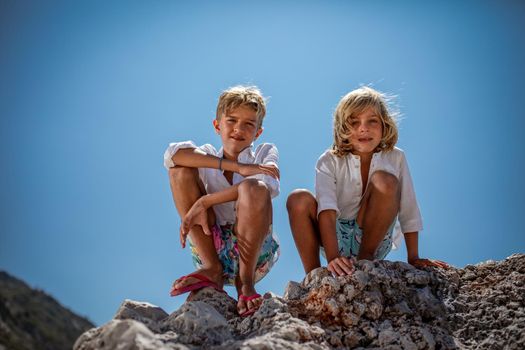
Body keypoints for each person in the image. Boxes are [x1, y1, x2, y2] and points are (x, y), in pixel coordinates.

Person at [286, 86, 448, 277]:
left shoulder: (396, 157)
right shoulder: (328, 160)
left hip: (374, 238)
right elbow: (327, 209)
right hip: (334, 237)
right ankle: (314, 275)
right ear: (342, 128)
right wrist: (332, 257)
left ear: (384, 125)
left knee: (385, 180)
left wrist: (413, 256)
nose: (364, 128)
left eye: (373, 121)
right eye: (354, 122)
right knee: (298, 198)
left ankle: (365, 261)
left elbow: (408, 207)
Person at [163, 85, 280, 316]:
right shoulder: (206, 153)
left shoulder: (265, 152)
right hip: (211, 245)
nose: (239, 128)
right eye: (232, 121)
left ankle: (245, 285)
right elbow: (172, 156)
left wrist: (205, 202)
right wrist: (235, 166)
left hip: (254, 252)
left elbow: (265, 185)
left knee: (255, 188)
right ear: (217, 126)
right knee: (180, 170)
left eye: (248, 124)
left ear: (257, 133)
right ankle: (211, 269)